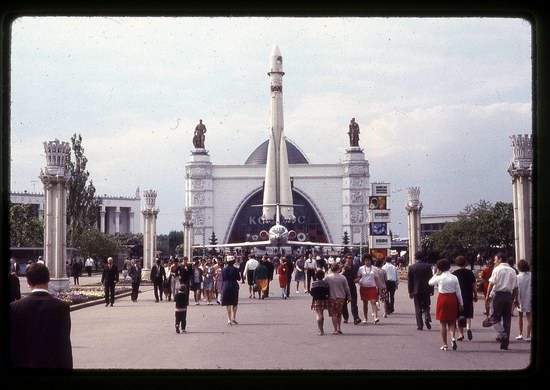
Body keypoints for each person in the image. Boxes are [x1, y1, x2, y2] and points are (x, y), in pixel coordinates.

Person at [10, 263, 73, 369]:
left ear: (28, 282)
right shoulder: (61, 307)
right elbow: (63, 345)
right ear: (48, 280)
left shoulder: (14, 307)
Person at [429, 258, 464, 351]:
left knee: (443, 322)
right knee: (452, 321)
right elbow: (458, 292)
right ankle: (452, 337)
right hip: (452, 298)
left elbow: (430, 283)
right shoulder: (454, 277)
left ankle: (444, 344)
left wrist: (436, 274)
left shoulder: (440, 277)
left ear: (439, 268)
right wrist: (461, 303)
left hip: (443, 299)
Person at [486, 252, 519, 350]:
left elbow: (491, 283)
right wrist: (516, 298)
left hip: (498, 295)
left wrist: (487, 296)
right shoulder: (512, 270)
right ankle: (505, 343)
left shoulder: (497, 269)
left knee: (494, 318)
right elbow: (516, 286)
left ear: (500, 259)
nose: (494, 261)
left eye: (495, 259)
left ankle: (502, 334)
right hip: (509, 295)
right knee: (507, 318)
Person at [452, 256, 477, 341]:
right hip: (468, 295)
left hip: (458, 296)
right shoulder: (470, 273)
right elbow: (474, 285)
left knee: (458, 315)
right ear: (465, 263)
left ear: (456, 263)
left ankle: (460, 334)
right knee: (468, 315)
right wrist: (475, 294)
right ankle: (468, 328)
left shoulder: (454, 274)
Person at [407, 251, 434, 330]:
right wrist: (431, 289)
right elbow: (431, 278)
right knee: (426, 305)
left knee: (418, 307)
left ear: (415, 257)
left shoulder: (412, 267)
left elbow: (410, 281)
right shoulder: (428, 266)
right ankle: (426, 316)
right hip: (426, 289)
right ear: (423, 257)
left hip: (416, 290)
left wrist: (410, 291)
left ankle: (420, 325)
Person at [326, 262, 351, 334]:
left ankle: (335, 329)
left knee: (334, 314)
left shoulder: (328, 277)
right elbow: (347, 288)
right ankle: (339, 328)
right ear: (338, 268)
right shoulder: (342, 277)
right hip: (341, 297)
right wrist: (349, 295)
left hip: (332, 297)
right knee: (339, 313)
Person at [355, 253, 380, 324]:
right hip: (364, 288)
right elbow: (358, 277)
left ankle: (375, 317)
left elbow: (377, 279)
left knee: (373, 302)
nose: (367, 262)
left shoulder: (375, 269)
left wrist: (379, 287)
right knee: (365, 303)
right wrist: (359, 282)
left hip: (372, 287)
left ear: (371, 261)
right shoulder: (361, 268)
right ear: (364, 261)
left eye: (368, 260)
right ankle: (365, 318)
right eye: (366, 260)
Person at [341, 253, 362, 324]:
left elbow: (358, 276)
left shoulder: (355, 267)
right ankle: (345, 317)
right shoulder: (342, 267)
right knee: (344, 303)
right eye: (349, 258)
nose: (351, 259)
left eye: (352, 258)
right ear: (345, 258)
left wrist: (358, 279)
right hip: (344, 287)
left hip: (352, 286)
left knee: (354, 303)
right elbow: (337, 275)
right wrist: (343, 271)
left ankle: (356, 318)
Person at [515, 259, 532, 341]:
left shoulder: (518, 277)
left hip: (520, 298)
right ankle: (528, 335)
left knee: (520, 316)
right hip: (529, 297)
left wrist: (515, 299)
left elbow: (516, 289)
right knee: (529, 317)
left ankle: (520, 334)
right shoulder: (531, 276)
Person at [310, 269, 330, 335]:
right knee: (322, 313)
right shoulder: (325, 283)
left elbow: (312, 293)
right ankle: (322, 329)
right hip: (323, 299)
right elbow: (328, 292)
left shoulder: (314, 283)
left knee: (319, 315)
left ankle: (320, 330)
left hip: (316, 299)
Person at [222, 256, 241, 325]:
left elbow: (223, 278)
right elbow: (239, 278)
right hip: (234, 285)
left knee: (228, 303)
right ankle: (234, 318)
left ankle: (229, 319)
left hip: (226, 285)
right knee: (234, 302)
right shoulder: (236, 269)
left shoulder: (223, 269)